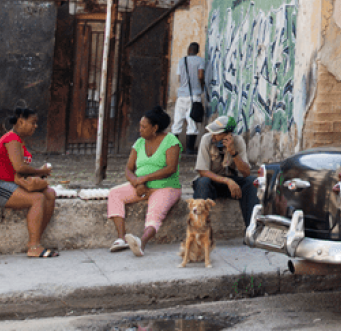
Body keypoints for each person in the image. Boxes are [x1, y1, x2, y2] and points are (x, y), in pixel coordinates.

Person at [0, 107, 59, 258]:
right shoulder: (12, 139)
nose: (35, 126)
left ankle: (36, 240)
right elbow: (19, 168)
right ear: (21, 122)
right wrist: (41, 172)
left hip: (10, 184)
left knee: (50, 193)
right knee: (37, 198)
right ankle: (34, 246)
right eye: (33, 122)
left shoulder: (19, 141)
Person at [106, 105, 182, 256]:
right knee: (114, 194)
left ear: (155, 128)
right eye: (140, 126)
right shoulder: (139, 142)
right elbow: (128, 169)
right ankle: (121, 238)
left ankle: (141, 243)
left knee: (154, 214)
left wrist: (145, 178)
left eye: (143, 127)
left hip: (166, 187)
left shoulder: (170, 140)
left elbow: (171, 168)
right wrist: (137, 183)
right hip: (140, 186)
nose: (139, 129)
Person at [193, 114, 258, 227]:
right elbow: (202, 171)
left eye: (217, 134)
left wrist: (233, 152)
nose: (213, 136)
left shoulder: (238, 141)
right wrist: (227, 181)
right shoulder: (206, 139)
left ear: (228, 135)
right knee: (202, 182)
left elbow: (246, 173)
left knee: (252, 181)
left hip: (230, 186)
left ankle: (252, 229)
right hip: (211, 182)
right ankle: (199, 229)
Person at [171, 42, 206, 154]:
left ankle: (175, 149)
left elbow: (179, 78)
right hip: (194, 96)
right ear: (197, 50)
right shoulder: (200, 61)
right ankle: (189, 149)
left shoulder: (182, 61)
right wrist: (201, 85)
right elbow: (200, 75)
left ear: (188, 50)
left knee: (177, 122)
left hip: (181, 95)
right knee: (192, 123)